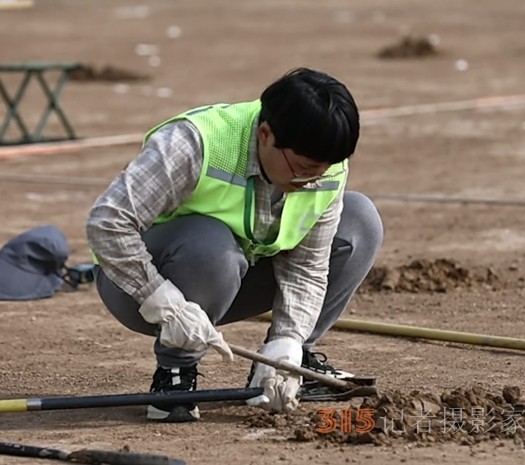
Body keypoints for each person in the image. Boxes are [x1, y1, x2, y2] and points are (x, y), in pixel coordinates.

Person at [86, 67, 383, 422]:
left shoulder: (323, 166)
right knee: (213, 245)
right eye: (303, 169)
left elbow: (308, 266)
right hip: (141, 285)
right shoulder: (195, 143)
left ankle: (285, 369)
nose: (311, 181)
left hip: (237, 277)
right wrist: (160, 300)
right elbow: (107, 222)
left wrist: (286, 343)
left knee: (360, 221)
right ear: (265, 134)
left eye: (321, 170)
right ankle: (175, 373)